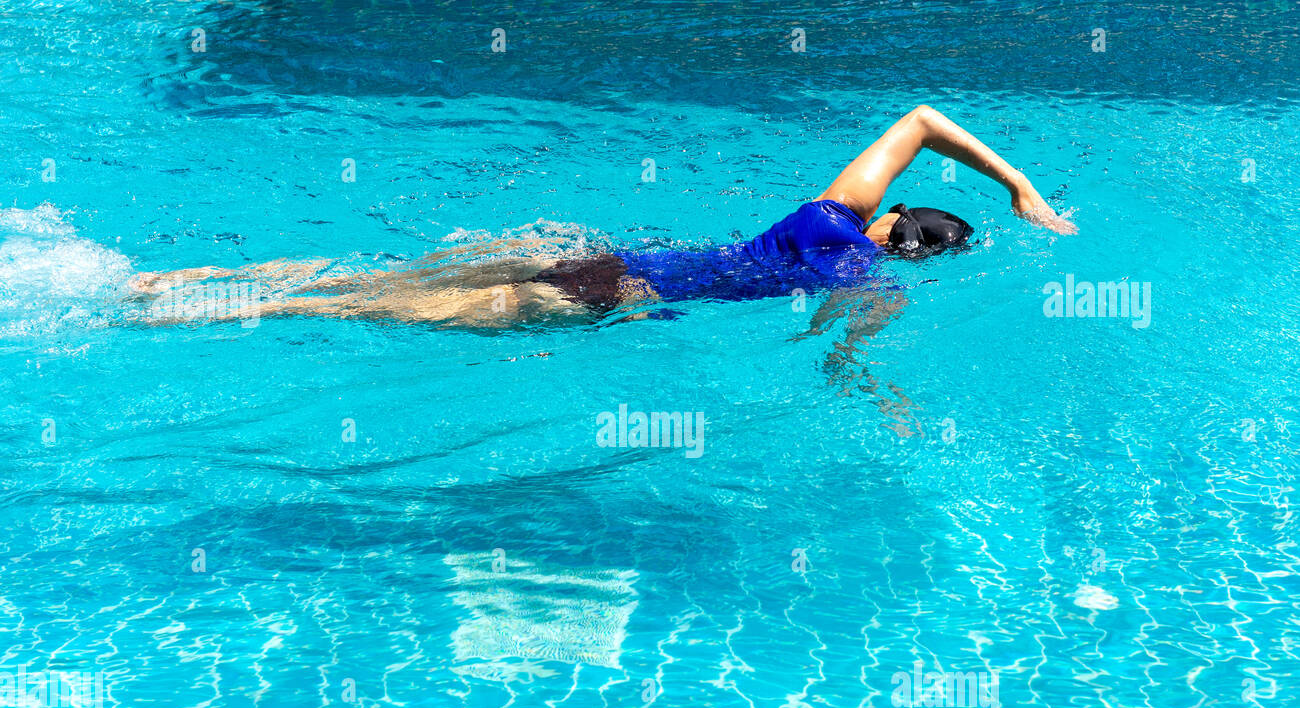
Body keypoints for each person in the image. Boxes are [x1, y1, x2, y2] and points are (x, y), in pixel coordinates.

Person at [129, 105, 1075, 327]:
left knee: (378, 271)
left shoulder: (829, 215)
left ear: (895, 210)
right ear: (906, 258)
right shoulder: (861, 276)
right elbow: (844, 347)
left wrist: (1018, 185)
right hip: (603, 300)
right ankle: (217, 305)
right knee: (351, 309)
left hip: (596, 253)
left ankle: (179, 281)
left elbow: (919, 119)